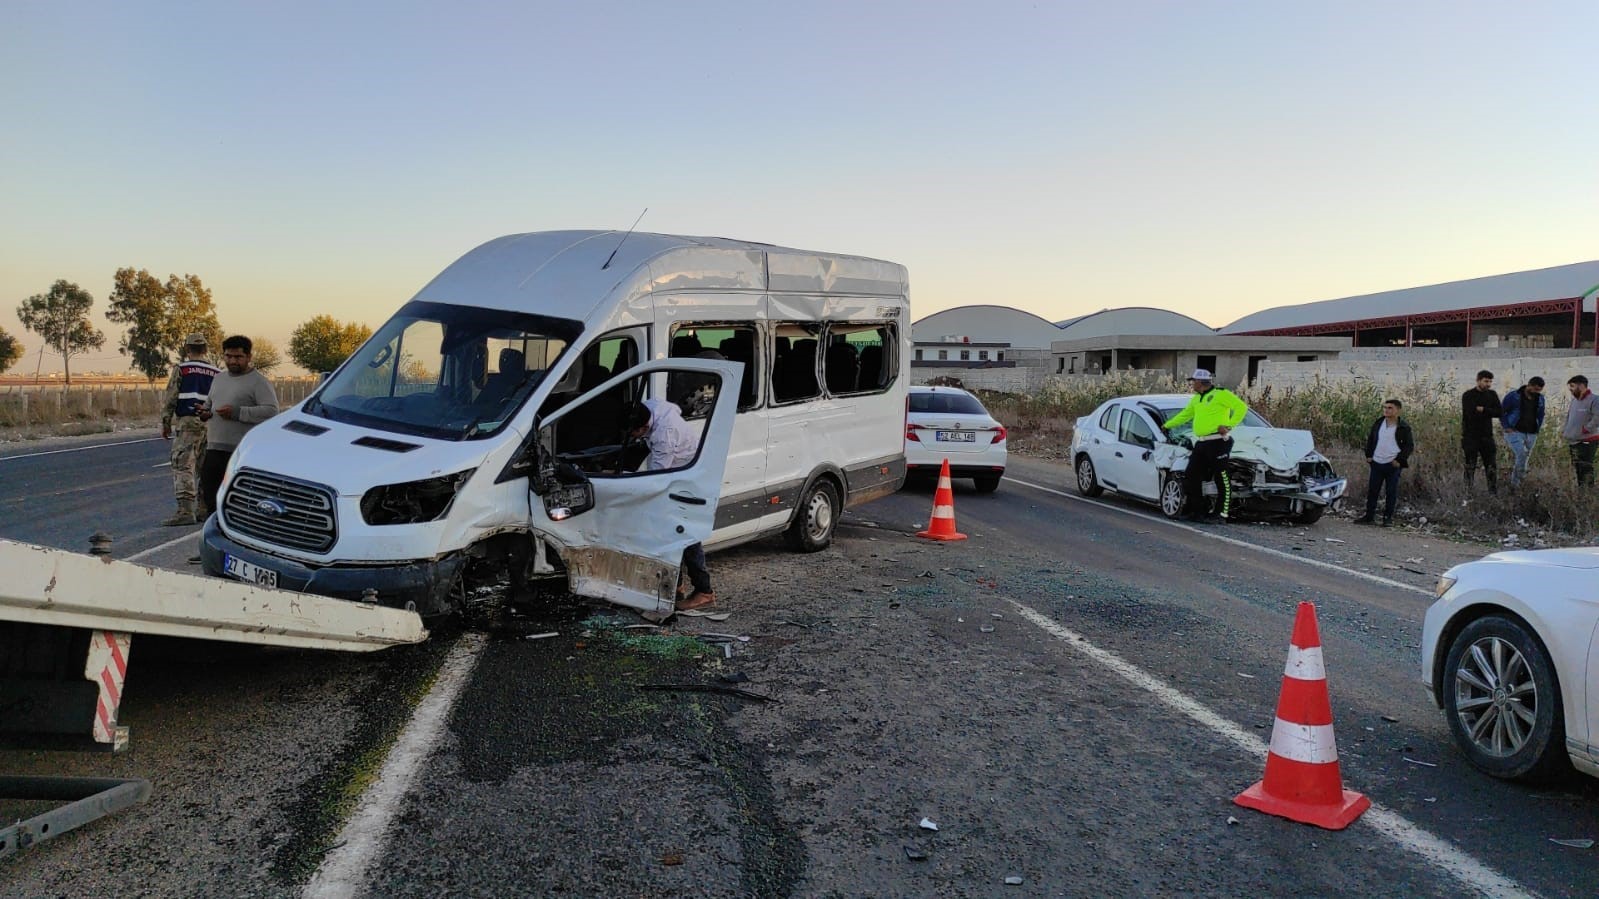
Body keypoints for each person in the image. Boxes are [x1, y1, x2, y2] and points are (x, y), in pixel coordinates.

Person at [626, 399, 715, 610]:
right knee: (669, 533)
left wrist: (626, 481)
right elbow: (675, 407)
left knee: (685, 534)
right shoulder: (652, 406)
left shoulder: (664, 436)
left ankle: (704, 592)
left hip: (686, 479)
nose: (631, 438)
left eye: (633, 433)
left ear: (645, 427)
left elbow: (657, 478)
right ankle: (676, 586)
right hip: (678, 474)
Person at [198, 336, 280, 519]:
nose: (232, 361)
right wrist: (205, 412)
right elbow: (209, 404)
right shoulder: (219, 379)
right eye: (228, 356)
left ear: (249, 357)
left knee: (238, 505)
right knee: (211, 499)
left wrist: (238, 413)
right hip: (214, 448)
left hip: (241, 453)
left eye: (238, 357)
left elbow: (271, 411)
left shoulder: (259, 382)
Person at [1161, 368, 1248, 522]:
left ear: (1201, 382)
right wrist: (1168, 425)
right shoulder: (1196, 399)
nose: (1192, 384)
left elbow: (1241, 407)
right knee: (1191, 475)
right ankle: (1198, 511)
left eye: (1193, 381)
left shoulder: (1221, 394)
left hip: (1218, 441)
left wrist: (1229, 425)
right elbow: (1185, 415)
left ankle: (1221, 514)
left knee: (1221, 477)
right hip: (1201, 443)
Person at [159, 333, 220, 525]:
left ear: (187, 349)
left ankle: (185, 511)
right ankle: (204, 509)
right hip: (211, 423)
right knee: (205, 467)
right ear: (206, 349)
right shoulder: (217, 372)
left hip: (188, 421)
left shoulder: (182, 369)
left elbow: (171, 396)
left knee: (183, 464)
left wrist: (166, 421)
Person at [1356, 399, 1414, 527]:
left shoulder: (1403, 427)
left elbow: (1409, 446)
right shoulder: (1379, 423)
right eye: (1385, 408)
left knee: (1391, 492)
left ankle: (1387, 518)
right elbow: (1371, 439)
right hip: (1377, 462)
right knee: (1373, 490)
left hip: (1392, 464)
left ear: (1398, 410)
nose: (1386, 410)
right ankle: (1369, 516)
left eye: (1390, 408)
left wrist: (1399, 460)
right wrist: (1369, 455)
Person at [1500, 376, 1546, 488]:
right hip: (1514, 431)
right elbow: (1501, 411)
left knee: (1525, 458)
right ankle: (1515, 484)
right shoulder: (1513, 396)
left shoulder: (1540, 398)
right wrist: (1506, 426)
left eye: (1539, 390)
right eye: (1535, 389)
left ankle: (1520, 483)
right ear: (1529, 385)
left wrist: (1538, 429)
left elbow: (1541, 414)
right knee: (1522, 454)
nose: (1537, 392)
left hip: (1531, 433)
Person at [1460, 369, 1501, 493]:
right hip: (1470, 436)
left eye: (1490, 382)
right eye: (1485, 381)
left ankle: (1493, 492)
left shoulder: (1492, 394)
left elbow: (1499, 412)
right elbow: (1470, 413)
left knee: (1491, 465)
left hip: (1487, 436)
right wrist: (1489, 411)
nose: (1488, 384)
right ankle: (1468, 492)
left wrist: (1483, 410)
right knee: (1470, 465)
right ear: (1478, 381)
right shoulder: (1468, 395)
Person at [1561, 375, 1599, 487]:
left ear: (1581, 385)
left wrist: (1587, 428)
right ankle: (1582, 494)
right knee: (1578, 469)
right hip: (1574, 441)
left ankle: (1589, 494)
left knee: (1586, 468)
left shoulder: (1595, 399)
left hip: (1587, 441)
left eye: (1572, 386)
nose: (1570, 389)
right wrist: (1564, 431)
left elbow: (1598, 417)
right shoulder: (1574, 401)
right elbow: (1569, 417)